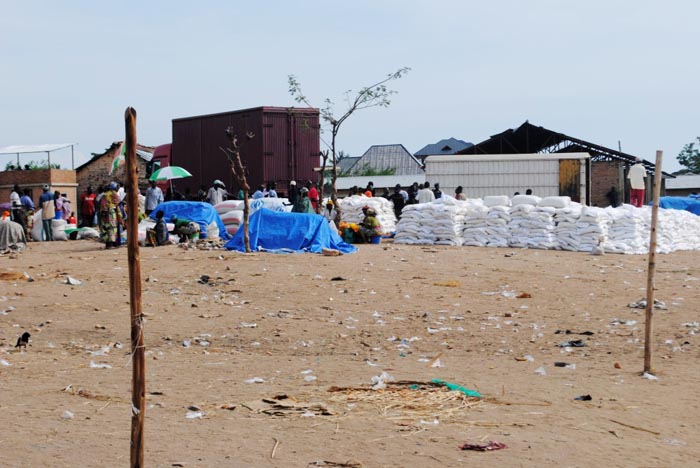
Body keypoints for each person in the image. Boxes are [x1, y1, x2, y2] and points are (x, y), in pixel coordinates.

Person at [99, 182, 123, 249]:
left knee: (106, 228)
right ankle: (111, 245)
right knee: (112, 228)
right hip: (111, 212)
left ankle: (107, 244)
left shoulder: (105, 194)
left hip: (104, 213)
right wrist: (120, 215)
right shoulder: (113, 194)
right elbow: (117, 203)